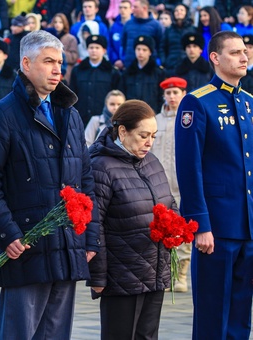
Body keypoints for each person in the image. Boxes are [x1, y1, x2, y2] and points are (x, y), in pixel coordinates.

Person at [0, 29, 100, 340]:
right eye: (48, 61)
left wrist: (90, 236)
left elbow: (85, 178)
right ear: (26, 64)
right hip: (26, 248)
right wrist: (7, 233)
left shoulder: (70, 114)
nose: (58, 68)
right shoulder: (0, 115)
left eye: (60, 62)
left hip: (67, 245)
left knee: (57, 334)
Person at [175, 30, 253, 339]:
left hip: (247, 227)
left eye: (245, 51)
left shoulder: (249, 103)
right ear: (216, 58)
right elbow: (189, 168)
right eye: (235, 52)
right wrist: (200, 224)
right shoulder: (198, 102)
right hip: (217, 228)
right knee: (212, 317)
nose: (244, 56)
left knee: (240, 318)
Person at [88, 99, 174, 339]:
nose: (149, 143)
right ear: (123, 132)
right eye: (143, 135)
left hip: (154, 268)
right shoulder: (101, 167)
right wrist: (97, 276)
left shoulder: (151, 162)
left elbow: (168, 202)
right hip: (121, 275)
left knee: (148, 335)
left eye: (154, 136)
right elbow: (94, 226)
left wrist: (175, 224)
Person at [150, 77, 191, 292]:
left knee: (183, 229)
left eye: (176, 92)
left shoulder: (188, 118)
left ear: (184, 93)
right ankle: (165, 274)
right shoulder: (155, 120)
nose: (172, 96)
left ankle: (181, 274)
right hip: (159, 186)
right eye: (169, 93)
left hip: (182, 184)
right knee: (162, 230)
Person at [70, 34, 121, 126]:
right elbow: (72, 94)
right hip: (81, 118)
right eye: (91, 47)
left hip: (104, 120)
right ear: (87, 49)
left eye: (97, 48)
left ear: (104, 50)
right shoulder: (78, 70)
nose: (94, 50)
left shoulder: (112, 72)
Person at [121, 35, 166, 114]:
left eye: (144, 50)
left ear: (150, 52)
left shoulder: (158, 73)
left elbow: (161, 96)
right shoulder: (127, 73)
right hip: (131, 115)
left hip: (152, 114)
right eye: (138, 49)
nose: (140, 52)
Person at [121, 0, 163, 68]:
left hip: (150, 67)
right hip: (130, 65)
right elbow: (123, 44)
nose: (132, 9)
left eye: (135, 7)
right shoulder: (128, 24)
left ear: (144, 8)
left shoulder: (156, 25)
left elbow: (160, 45)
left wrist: (159, 61)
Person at [160, 3, 196, 76]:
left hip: (187, 65)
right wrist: (164, 61)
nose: (179, 12)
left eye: (181, 10)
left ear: (186, 13)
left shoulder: (192, 29)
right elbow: (162, 47)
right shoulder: (169, 30)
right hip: (171, 65)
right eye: (176, 10)